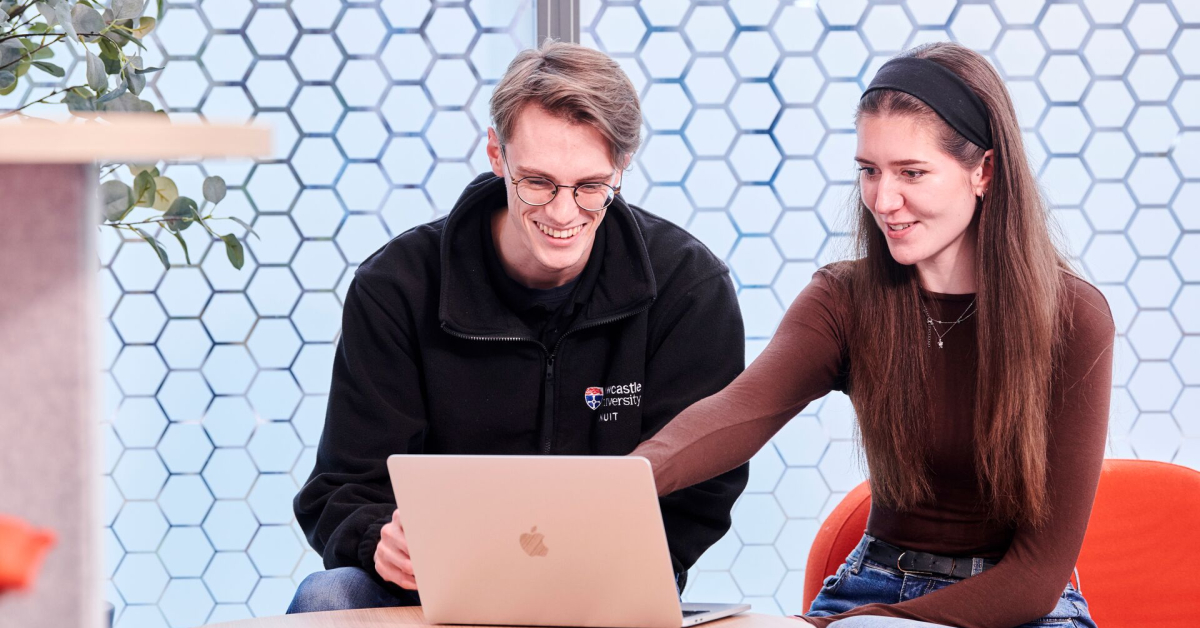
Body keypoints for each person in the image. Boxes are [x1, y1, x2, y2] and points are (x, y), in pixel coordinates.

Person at [632, 42, 1115, 628]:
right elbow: (740, 411)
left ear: (983, 171)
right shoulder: (843, 300)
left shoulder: (1072, 317)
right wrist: (622, 482)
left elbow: (1036, 578)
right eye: (869, 171)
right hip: (871, 585)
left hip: (1014, 607)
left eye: (911, 172)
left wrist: (850, 627)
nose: (884, 201)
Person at [287, 41, 749, 613]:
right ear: (496, 154)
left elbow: (707, 481)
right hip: (425, 592)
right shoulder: (396, 288)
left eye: (589, 187)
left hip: (609, 592)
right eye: (538, 182)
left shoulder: (689, 288)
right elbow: (342, 485)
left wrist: (623, 566)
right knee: (327, 595)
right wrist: (377, 540)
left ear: (621, 167)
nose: (562, 213)